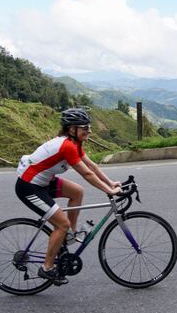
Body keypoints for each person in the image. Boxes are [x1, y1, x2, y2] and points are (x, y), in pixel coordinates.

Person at [15, 108, 121, 285]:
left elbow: (92, 167)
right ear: (72, 129)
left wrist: (111, 183)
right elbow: (87, 174)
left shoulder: (75, 144)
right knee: (61, 224)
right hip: (29, 186)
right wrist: (109, 191)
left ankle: (68, 235)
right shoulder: (67, 146)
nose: (89, 131)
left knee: (77, 192)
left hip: (44, 182)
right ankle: (47, 268)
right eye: (85, 128)